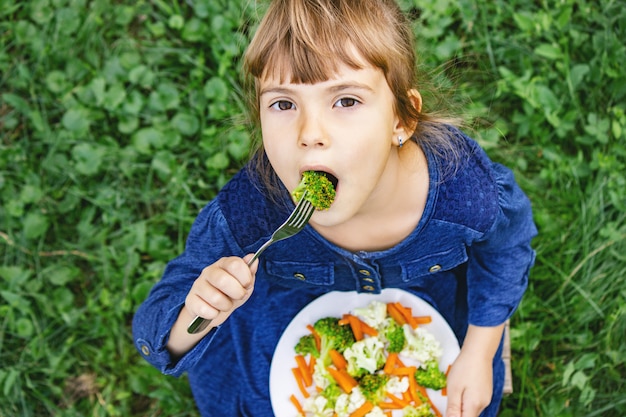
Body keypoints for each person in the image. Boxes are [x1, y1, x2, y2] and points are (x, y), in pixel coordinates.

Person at [132, 1, 537, 416]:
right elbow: (159, 337)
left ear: (402, 117)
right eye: (284, 104)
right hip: (281, 334)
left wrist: (480, 349)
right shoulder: (253, 212)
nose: (310, 134)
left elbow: (507, 250)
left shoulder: (464, 194)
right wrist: (197, 315)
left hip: (430, 322)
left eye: (345, 100)